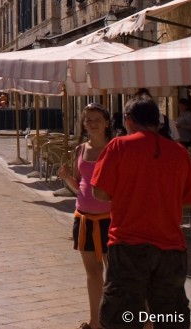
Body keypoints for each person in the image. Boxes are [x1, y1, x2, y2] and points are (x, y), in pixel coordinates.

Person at [91, 96, 191, 329]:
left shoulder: (119, 146)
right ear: (158, 121)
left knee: (121, 318)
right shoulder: (180, 153)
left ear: (129, 120)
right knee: (171, 318)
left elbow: (99, 193)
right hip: (171, 249)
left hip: (128, 244)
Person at [57, 103, 113, 329]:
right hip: (84, 218)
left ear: (107, 122)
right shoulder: (80, 150)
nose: (91, 123)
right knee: (93, 273)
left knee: (116, 274)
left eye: (96, 119)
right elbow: (80, 184)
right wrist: (66, 178)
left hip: (111, 219)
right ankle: (95, 321)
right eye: (88, 119)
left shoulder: (114, 149)